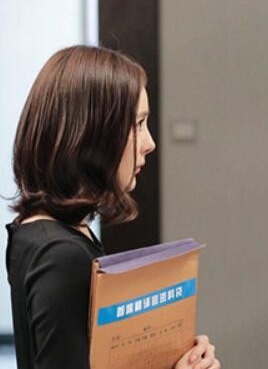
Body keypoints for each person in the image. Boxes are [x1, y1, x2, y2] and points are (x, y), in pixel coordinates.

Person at [6, 45, 221, 369]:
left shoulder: (40, 232)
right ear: (92, 134)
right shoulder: (61, 256)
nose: (149, 143)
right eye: (138, 124)